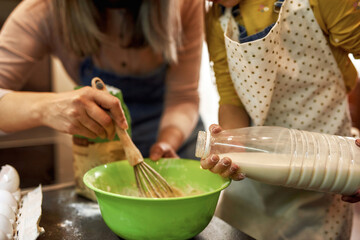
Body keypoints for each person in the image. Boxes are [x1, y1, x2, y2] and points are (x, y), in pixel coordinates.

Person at [203, 0, 360, 239]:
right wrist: (228, 145)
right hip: (253, 186)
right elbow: (231, 99)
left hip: (324, 177)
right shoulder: (217, 17)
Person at [0, 0, 204, 160]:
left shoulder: (183, 4)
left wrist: (168, 141)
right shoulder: (43, 10)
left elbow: (183, 97)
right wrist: (44, 108)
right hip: (103, 152)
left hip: (178, 144)